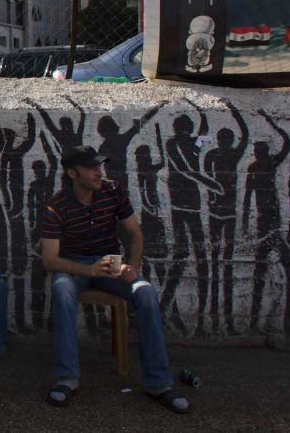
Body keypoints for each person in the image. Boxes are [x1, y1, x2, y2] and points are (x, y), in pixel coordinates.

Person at [39, 145, 189, 414]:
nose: (100, 172)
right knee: (61, 289)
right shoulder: (55, 206)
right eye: (92, 168)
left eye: (100, 166)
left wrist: (132, 267)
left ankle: (158, 383)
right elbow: (50, 260)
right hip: (74, 266)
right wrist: (90, 270)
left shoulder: (112, 191)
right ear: (73, 173)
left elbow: (136, 234)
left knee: (144, 292)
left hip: (111, 263)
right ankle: (67, 378)